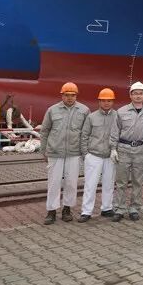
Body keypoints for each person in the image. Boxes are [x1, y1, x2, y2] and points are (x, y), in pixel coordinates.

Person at [41, 82, 90, 225]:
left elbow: (86, 133)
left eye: (72, 95)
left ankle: (67, 209)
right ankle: (51, 211)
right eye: (67, 95)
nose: (69, 98)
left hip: (74, 153)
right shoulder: (52, 110)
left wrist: (84, 152)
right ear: (62, 95)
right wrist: (43, 150)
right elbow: (45, 131)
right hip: (55, 152)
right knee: (54, 183)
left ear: (76, 96)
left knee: (71, 183)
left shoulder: (84, 110)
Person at [111, 82, 143, 222]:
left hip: (141, 150)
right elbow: (115, 131)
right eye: (135, 93)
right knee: (121, 182)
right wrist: (113, 149)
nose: (138, 96)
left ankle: (134, 209)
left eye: (140, 93)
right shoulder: (121, 111)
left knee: (137, 182)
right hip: (124, 150)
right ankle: (120, 209)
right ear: (130, 95)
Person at [78, 88, 118, 222]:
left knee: (109, 184)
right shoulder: (91, 117)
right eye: (103, 100)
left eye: (109, 100)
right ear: (99, 101)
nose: (106, 103)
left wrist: (115, 151)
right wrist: (86, 154)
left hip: (110, 156)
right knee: (90, 185)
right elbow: (84, 136)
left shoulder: (117, 116)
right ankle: (86, 211)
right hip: (94, 155)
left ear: (113, 102)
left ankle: (107, 208)